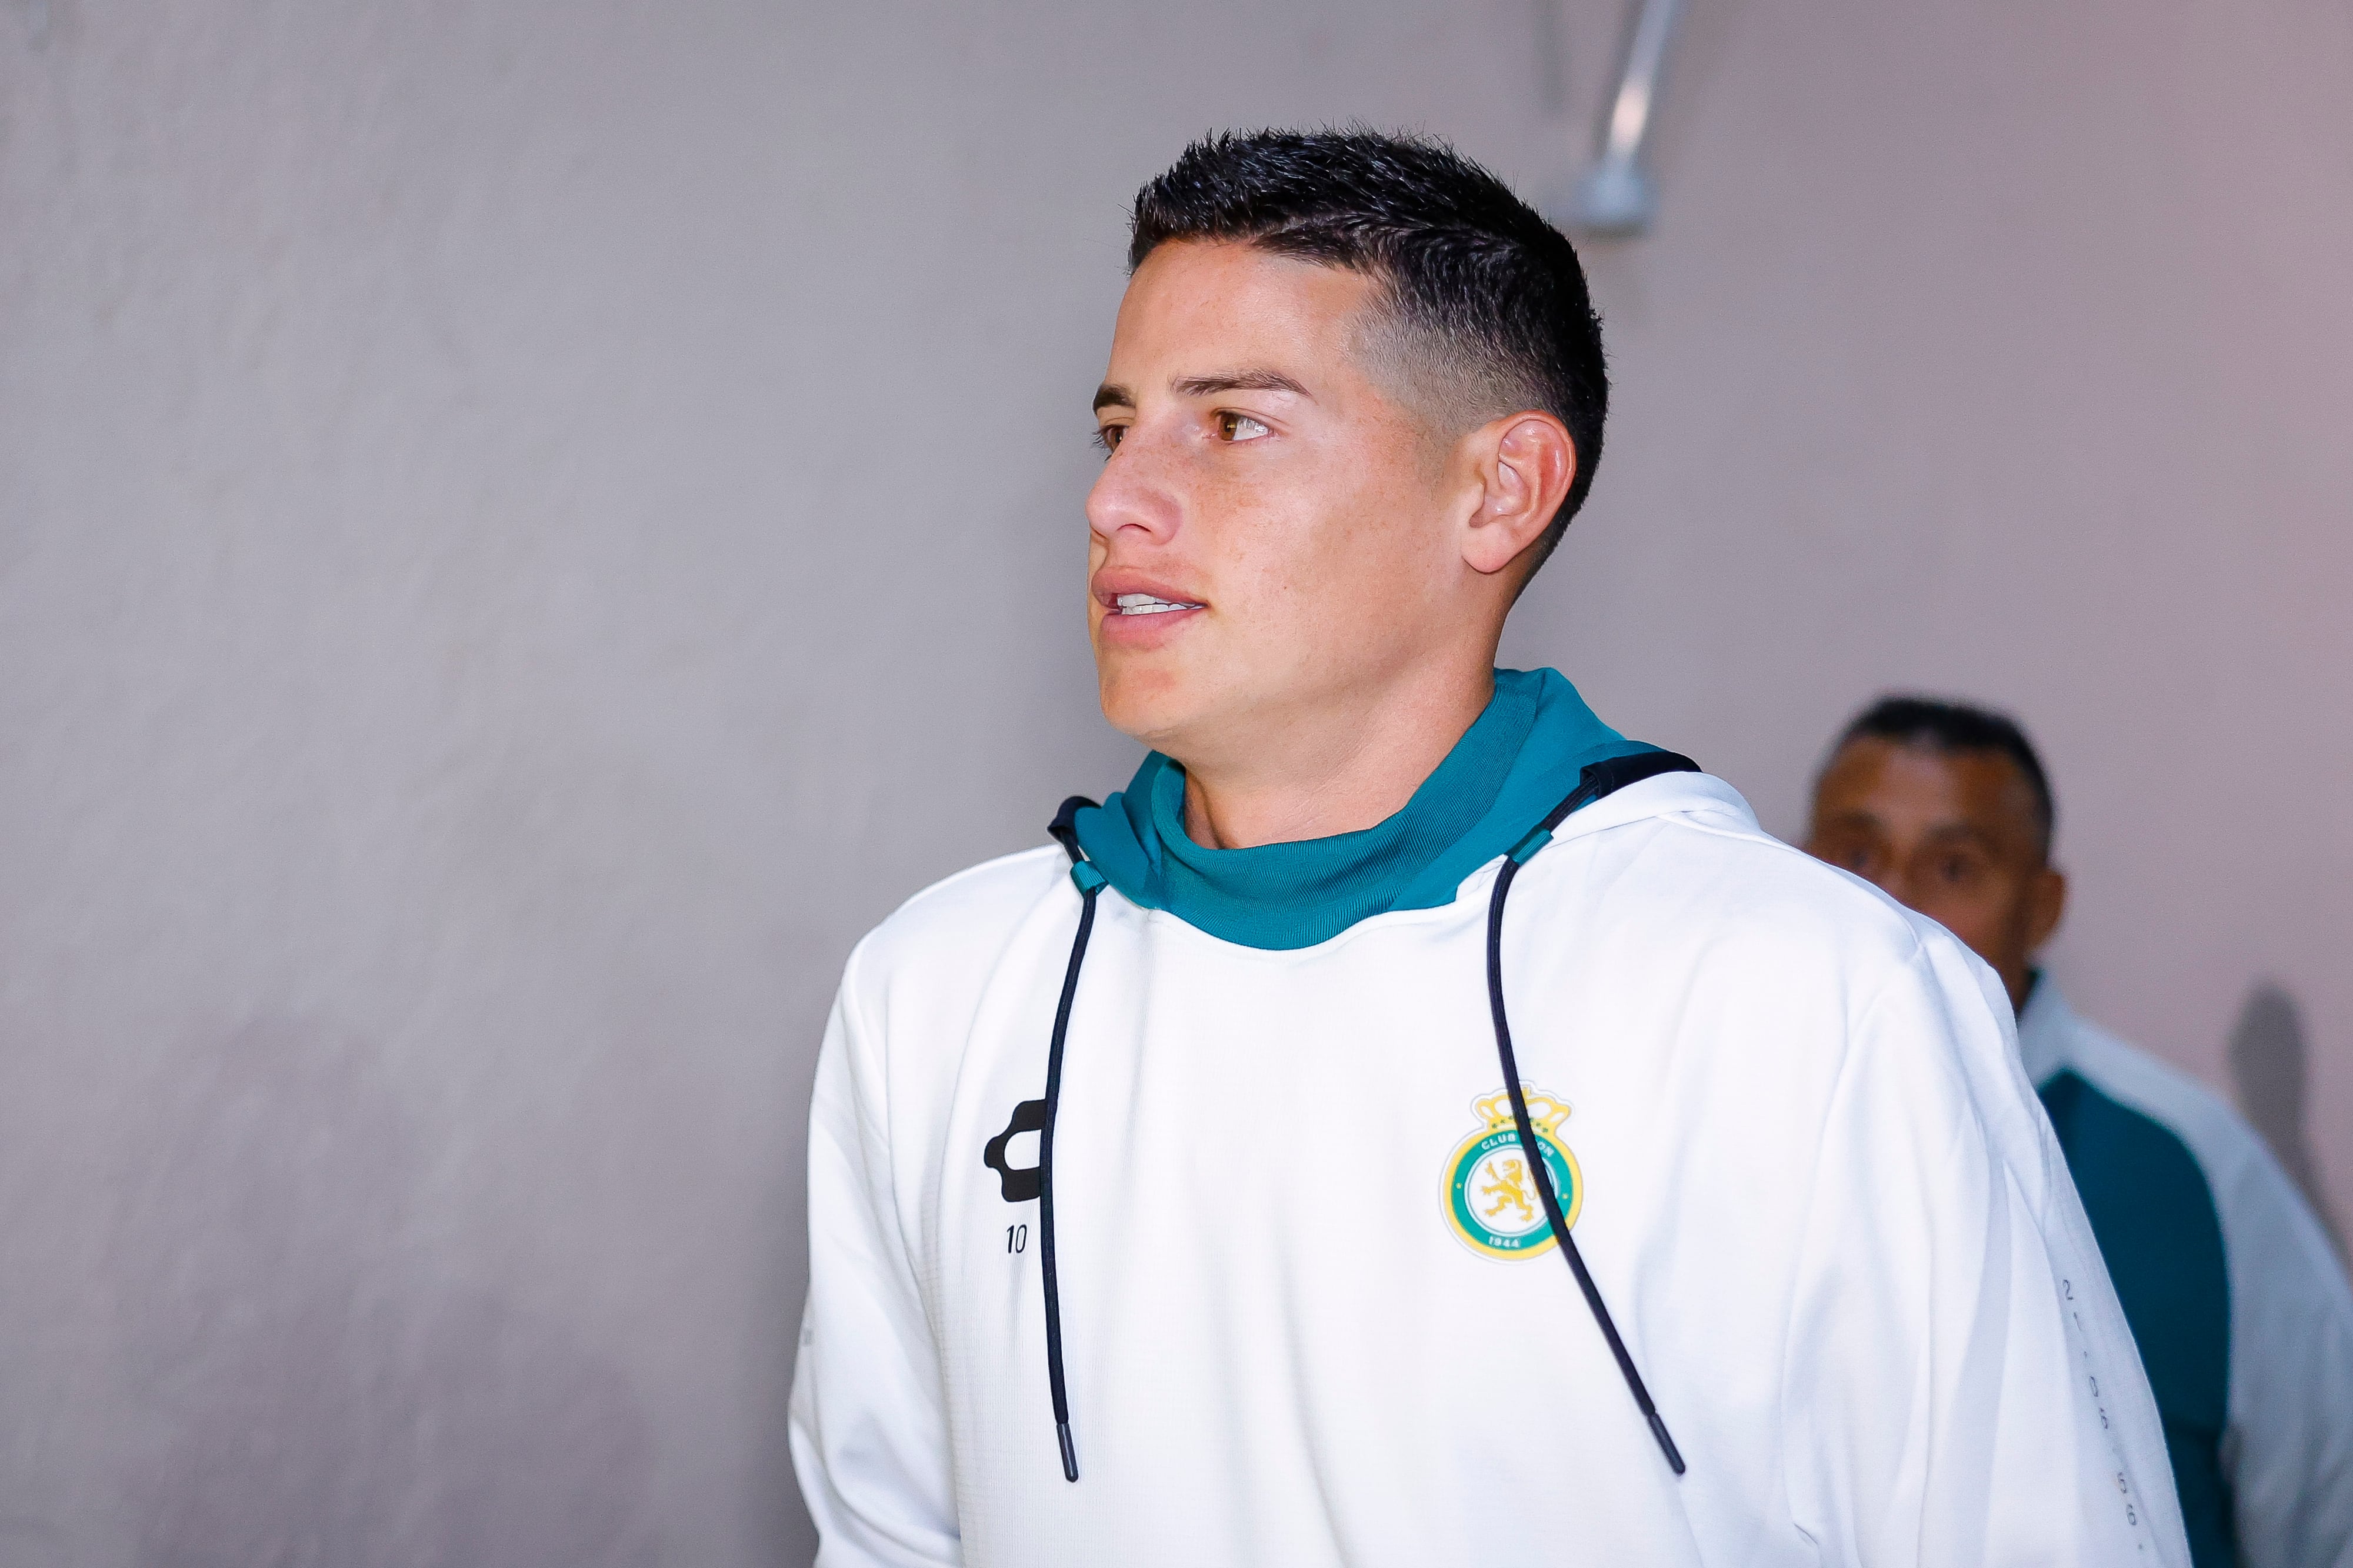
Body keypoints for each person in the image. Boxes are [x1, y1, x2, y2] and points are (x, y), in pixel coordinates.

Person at [789, 128, 2188, 1566]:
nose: (1112, 502)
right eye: (1115, 427)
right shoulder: (940, 992)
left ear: (1499, 492)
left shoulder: (1812, 999)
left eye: (1230, 425)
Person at [1806, 695, 2353, 1568]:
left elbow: (2330, 1513)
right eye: (1858, 854)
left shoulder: (2189, 1165)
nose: (1891, 902)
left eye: (1953, 867)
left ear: (2044, 903)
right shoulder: (1728, 1132)